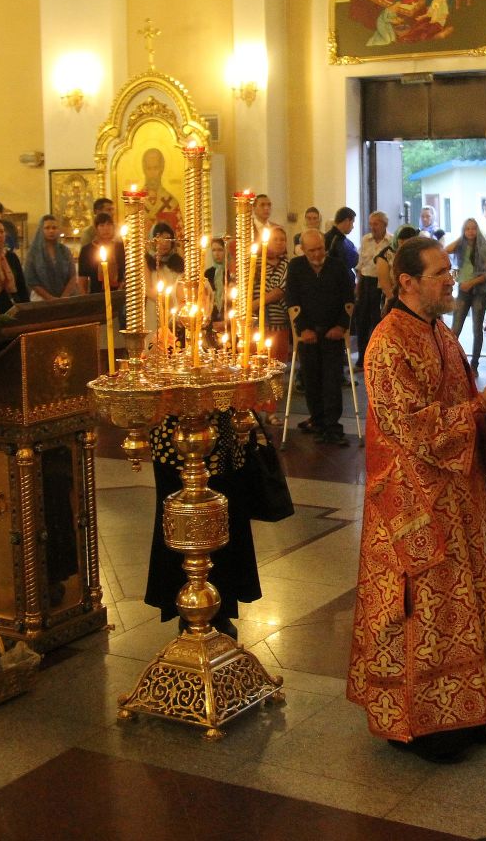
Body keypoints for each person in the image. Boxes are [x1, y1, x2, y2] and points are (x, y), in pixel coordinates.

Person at [348, 236, 486, 764]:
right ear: (407, 282)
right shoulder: (387, 343)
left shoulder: (442, 333)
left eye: (450, 271)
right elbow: (410, 428)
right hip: (410, 503)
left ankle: (467, 710)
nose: (451, 279)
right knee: (420, 609)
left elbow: (466, 402)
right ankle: (419, 724)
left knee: (463, 600)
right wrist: (480, 406)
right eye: (440, 273)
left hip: (457, 493)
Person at [144, 411, 259, 639]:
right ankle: (187, 605)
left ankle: (219, 606)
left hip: (222, 436)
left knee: (224, 520)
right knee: (179, 521)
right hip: (175, 440)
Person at [285, 228, 354, 446]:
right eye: (312, 250)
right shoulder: (296, 267)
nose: (317, 254)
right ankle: (318, 421)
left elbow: (349, 298)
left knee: (332, 381)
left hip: (333, 332)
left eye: (320, 249)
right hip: (308, 334)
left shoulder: (337, 267)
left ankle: (333, 427)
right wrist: (303, 328)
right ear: (303, 250)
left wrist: (341, 326)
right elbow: (292, 299)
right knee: (311, 380)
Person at [447, 217, 486, 375]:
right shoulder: (460, 246)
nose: (470, 231)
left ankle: (474, 365)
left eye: (473, 228)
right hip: (463, 291)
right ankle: (451, 363)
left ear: (478, 230)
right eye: (467, 228)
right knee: (455, 328)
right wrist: (460, 238)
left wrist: (472, 283)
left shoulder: (483, 248)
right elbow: (446, 250)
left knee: (477, 329)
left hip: (479, 293)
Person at [355, 211, 389, 367]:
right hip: (365, 282)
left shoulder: (391, 241)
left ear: (384, 224)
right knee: (361, 320)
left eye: (376, 224)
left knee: (377, 320)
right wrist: (358, 285)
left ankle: (377, 357)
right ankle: (362, 357)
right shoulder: (366, 240)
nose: (372, 227)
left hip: (381, 283)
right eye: (371, 224)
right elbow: (360, 264)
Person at [253, 225, 290, 363]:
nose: (279, 242)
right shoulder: (255, 263)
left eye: (282, 239)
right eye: (275, 239)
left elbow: (279, 291)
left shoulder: (288, 264)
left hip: (279, 324)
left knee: (277, 364)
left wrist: (255, 303)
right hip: (256, 324)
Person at [24, 214, 79, 301]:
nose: (51, 231)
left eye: (54, 228)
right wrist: (50, 298)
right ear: (41, 230)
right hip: (41, 299)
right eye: (47, 228)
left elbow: (72, 276)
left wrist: (64, 297)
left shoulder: (64, 251)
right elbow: (31, 279)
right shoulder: (33, 253)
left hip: (66, 298)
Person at [145, 222, 184, 333]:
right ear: (152, 240)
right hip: (156, 306)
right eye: (160, 239)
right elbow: (147, 289)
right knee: (156, 338)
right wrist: (166, 301)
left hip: (176, 307)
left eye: (167, 239)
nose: (164, 243)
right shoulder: (147, 261)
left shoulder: (178, 260)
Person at [78, 212, 125, 298]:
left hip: (120, 294)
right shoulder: (87, 250)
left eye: (109, 225)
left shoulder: (121, 248)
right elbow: (82, 279)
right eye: (102, 225)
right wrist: (85, 298)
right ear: (96, 229)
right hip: (96, 295)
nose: (106, 229)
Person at [375, 224, 419, 312]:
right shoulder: (386, 255)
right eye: (401, 242)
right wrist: (393, 301)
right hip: (394, 300)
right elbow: (385, 284)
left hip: (416, 300)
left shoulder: (417, 253)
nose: (404, 246)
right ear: (397, 240)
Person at [141, 148, 181, 237]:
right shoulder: (135, 203)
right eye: (148, 168)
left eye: (155, 168)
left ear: (161, 169)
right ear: (144, 169)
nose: (152, 173)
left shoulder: (171, 203)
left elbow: (178, 237)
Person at [324, 206, 359, 274]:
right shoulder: (333, 240)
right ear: (347, 221)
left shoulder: (344, 240)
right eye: (352, 222)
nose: (353, 227)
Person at [204, 237, 229, 326]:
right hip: (211, 315)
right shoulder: (208, 273)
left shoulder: (230, 272)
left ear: (225, 251)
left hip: (228, 316)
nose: (217, 254)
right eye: (214, 250)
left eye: (220, 250)